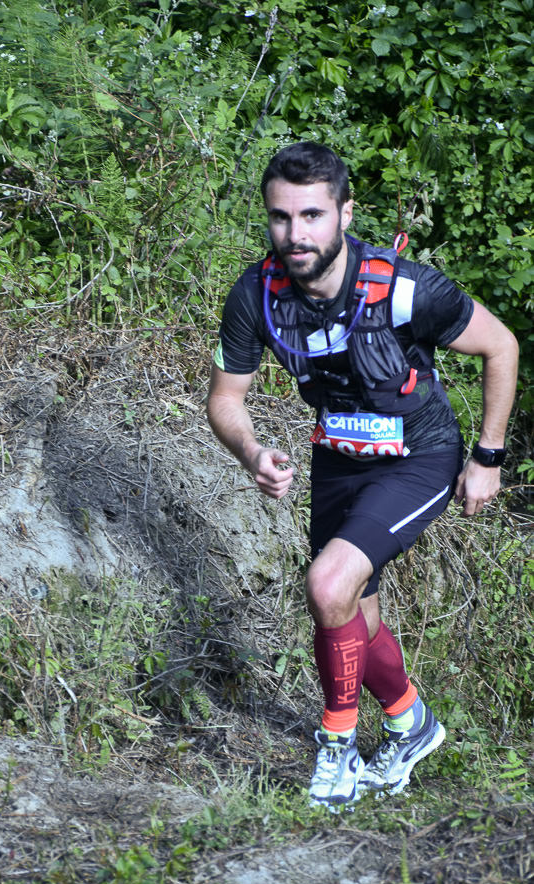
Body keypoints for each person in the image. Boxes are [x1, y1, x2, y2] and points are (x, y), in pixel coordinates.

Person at [207, 141, 519, 810]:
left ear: (345, 214)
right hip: (337, 460)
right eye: (281, 217)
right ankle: (411, 724)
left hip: (418, 456)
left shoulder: (405, 288)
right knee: (350, 611)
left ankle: (338, 747)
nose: (296, 234)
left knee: (326, 584)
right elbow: (225, 399)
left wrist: (487, 457)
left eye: (312, 215)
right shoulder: (256, 295)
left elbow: (501, 346)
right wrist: (252, 452)